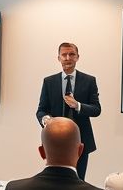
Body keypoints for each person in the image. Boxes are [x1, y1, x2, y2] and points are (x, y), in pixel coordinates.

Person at [36, 42, 101, 180]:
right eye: (64, 55)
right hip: (54, 139)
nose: (67, 58)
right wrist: (47, 120)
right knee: (55, 181)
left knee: (79, 180)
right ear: (58, 58)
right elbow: (41, 110)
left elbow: (96, 109)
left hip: (81, 140)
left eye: (71, 54)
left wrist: (77, 105)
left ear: (77, 57)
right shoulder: (49, 81)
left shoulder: (89, 80)